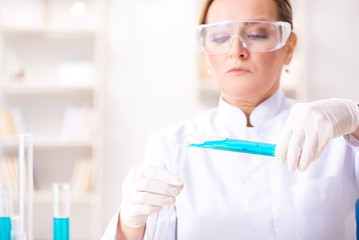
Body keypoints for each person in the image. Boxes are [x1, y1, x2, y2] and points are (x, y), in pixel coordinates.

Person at [102, 0, 359, 239]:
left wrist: (356, 120)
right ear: (205, 53)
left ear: (289, 48)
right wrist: (130, 222)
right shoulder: (170, 147)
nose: (236, 51)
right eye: (220, 37)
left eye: (257, 34)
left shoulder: (338, 134)